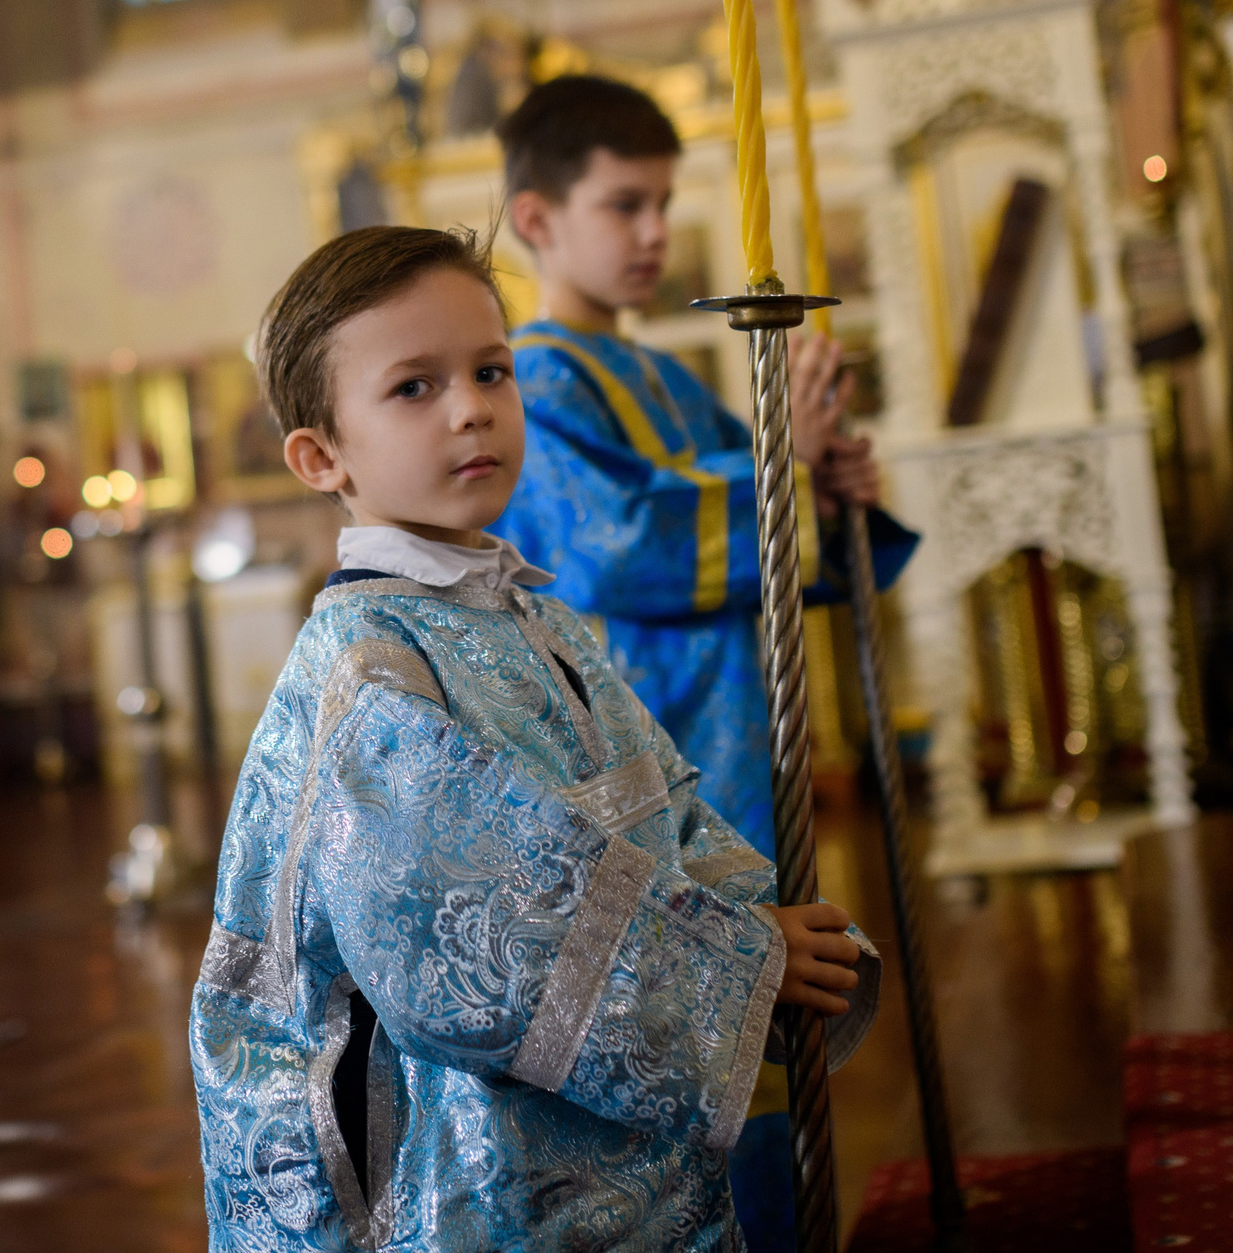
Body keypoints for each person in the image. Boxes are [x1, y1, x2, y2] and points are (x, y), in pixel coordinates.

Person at [192, 224, 879, 1250]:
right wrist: (739, 961)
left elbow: (665, 804)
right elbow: (484, 942)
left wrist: (769, 927)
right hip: (477, 1177)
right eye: (413, 387)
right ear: (318, 456)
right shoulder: (373, 670)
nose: (471, 406)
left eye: (490, 370)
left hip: (606, 1155)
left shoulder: (524, 614)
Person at [488, 73, 918, 1247]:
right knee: (705, 1035)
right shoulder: (534, 376)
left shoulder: (661, 374)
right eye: (623, 205)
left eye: (662, 204)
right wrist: (786, 466)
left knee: (769, 1027)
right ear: (536, 220)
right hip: (646, 754)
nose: (653, 234)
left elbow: (774, 539)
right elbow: (619, 545)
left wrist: (831, 492)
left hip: (732, 727)